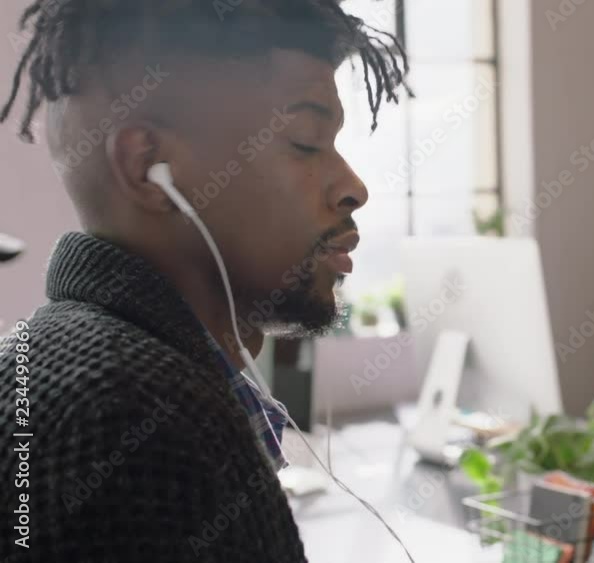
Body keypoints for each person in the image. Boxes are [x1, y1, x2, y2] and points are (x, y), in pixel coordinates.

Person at [0, 2, 407, 561]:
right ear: (150, 168)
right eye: (307, 142)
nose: (353, 187)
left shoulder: (44, 360)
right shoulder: (138, 417)